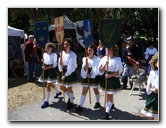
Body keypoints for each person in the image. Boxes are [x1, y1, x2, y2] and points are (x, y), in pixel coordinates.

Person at [98, 45, 123, 120]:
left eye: (110, 49)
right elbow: (100, 70)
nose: (108, 51)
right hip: (106, 78)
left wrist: (110, 75)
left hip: (112, 79)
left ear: (113, 51)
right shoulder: (104, 58)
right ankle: (111, 104)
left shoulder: (117, 59)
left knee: (109, 95)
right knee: (109, 94)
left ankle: (106, 113)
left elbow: (119, 72)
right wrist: (106, 64)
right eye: (107, 49)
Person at [75, 43, 100, 112]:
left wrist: (91, 75)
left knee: (95, 90)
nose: (89, 52)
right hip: (87, 75)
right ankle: (80, 105)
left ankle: (98, 102)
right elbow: (85, 69)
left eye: (91, 50)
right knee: (84, 90)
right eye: (88, 50)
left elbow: (96, 69)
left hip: (94, 76)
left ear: (94, 51)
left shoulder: (97, 59)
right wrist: (86, 63)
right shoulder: (85, 58)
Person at [39, 42, 62, 109]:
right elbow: (45, 62)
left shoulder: (54, 55)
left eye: (49, 47)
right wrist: (43, 62)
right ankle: (58, 92)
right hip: (45, 70)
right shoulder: (45, 54)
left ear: (52, 48)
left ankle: (46, 101)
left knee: (48, 85)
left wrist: (46, 67)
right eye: (47, 47)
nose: (47, 49)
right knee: (50, 84)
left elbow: (53, 65)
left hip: (51, 70)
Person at [57, 38, 78, 110]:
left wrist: (65, 75)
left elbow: (71, 66)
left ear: (70, 46)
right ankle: (70, 96)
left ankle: (71, 102)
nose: (65, 45)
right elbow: (60, 64)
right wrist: (60, 57)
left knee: (69, 87)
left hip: (70, 72)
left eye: (67, 44)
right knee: (61, 87)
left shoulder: (73, 54)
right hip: (63, 70)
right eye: (64, 44)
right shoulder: (62, 53)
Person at [141, 53, 158, 120]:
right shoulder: (153, 73)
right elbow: (149, 85)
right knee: (151, 114)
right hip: (155, 96)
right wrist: (152, 89)